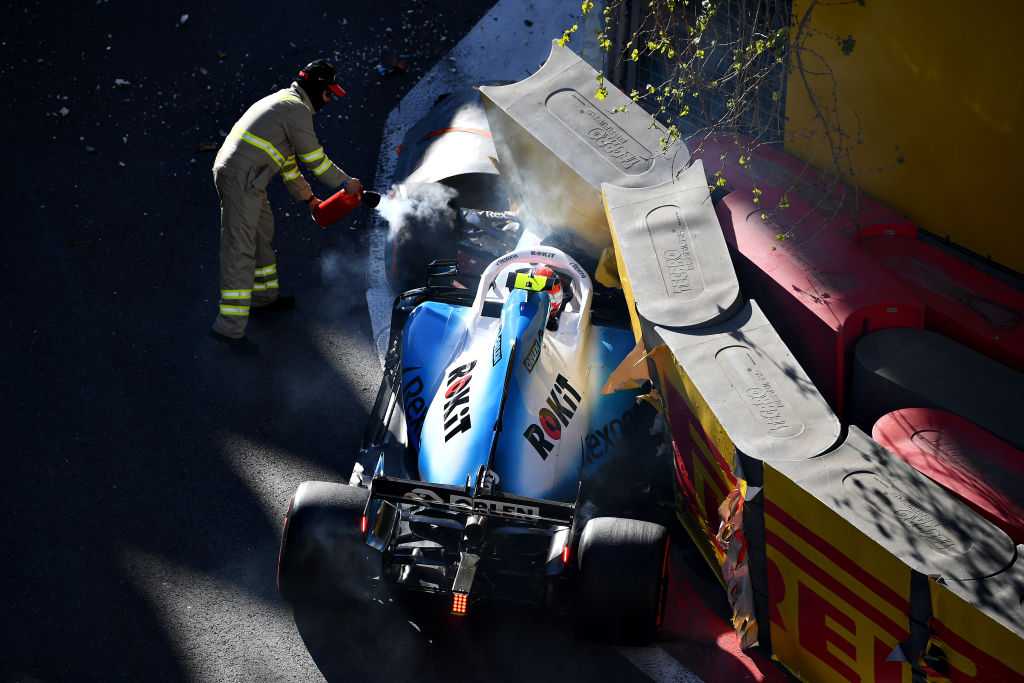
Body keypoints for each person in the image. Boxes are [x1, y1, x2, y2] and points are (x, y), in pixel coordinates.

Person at [209, 59, 363, 350]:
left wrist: (309, 199)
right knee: (240, 247)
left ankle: (264, 298)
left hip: (251, 178)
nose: (329, 101)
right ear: (317, 89)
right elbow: (314, 159)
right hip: (241, 178)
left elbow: (289, 165)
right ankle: (229, 328)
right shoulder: (296, 109)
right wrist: (346, 182)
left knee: (261, 235)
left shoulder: (286, 105)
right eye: (329, 94)